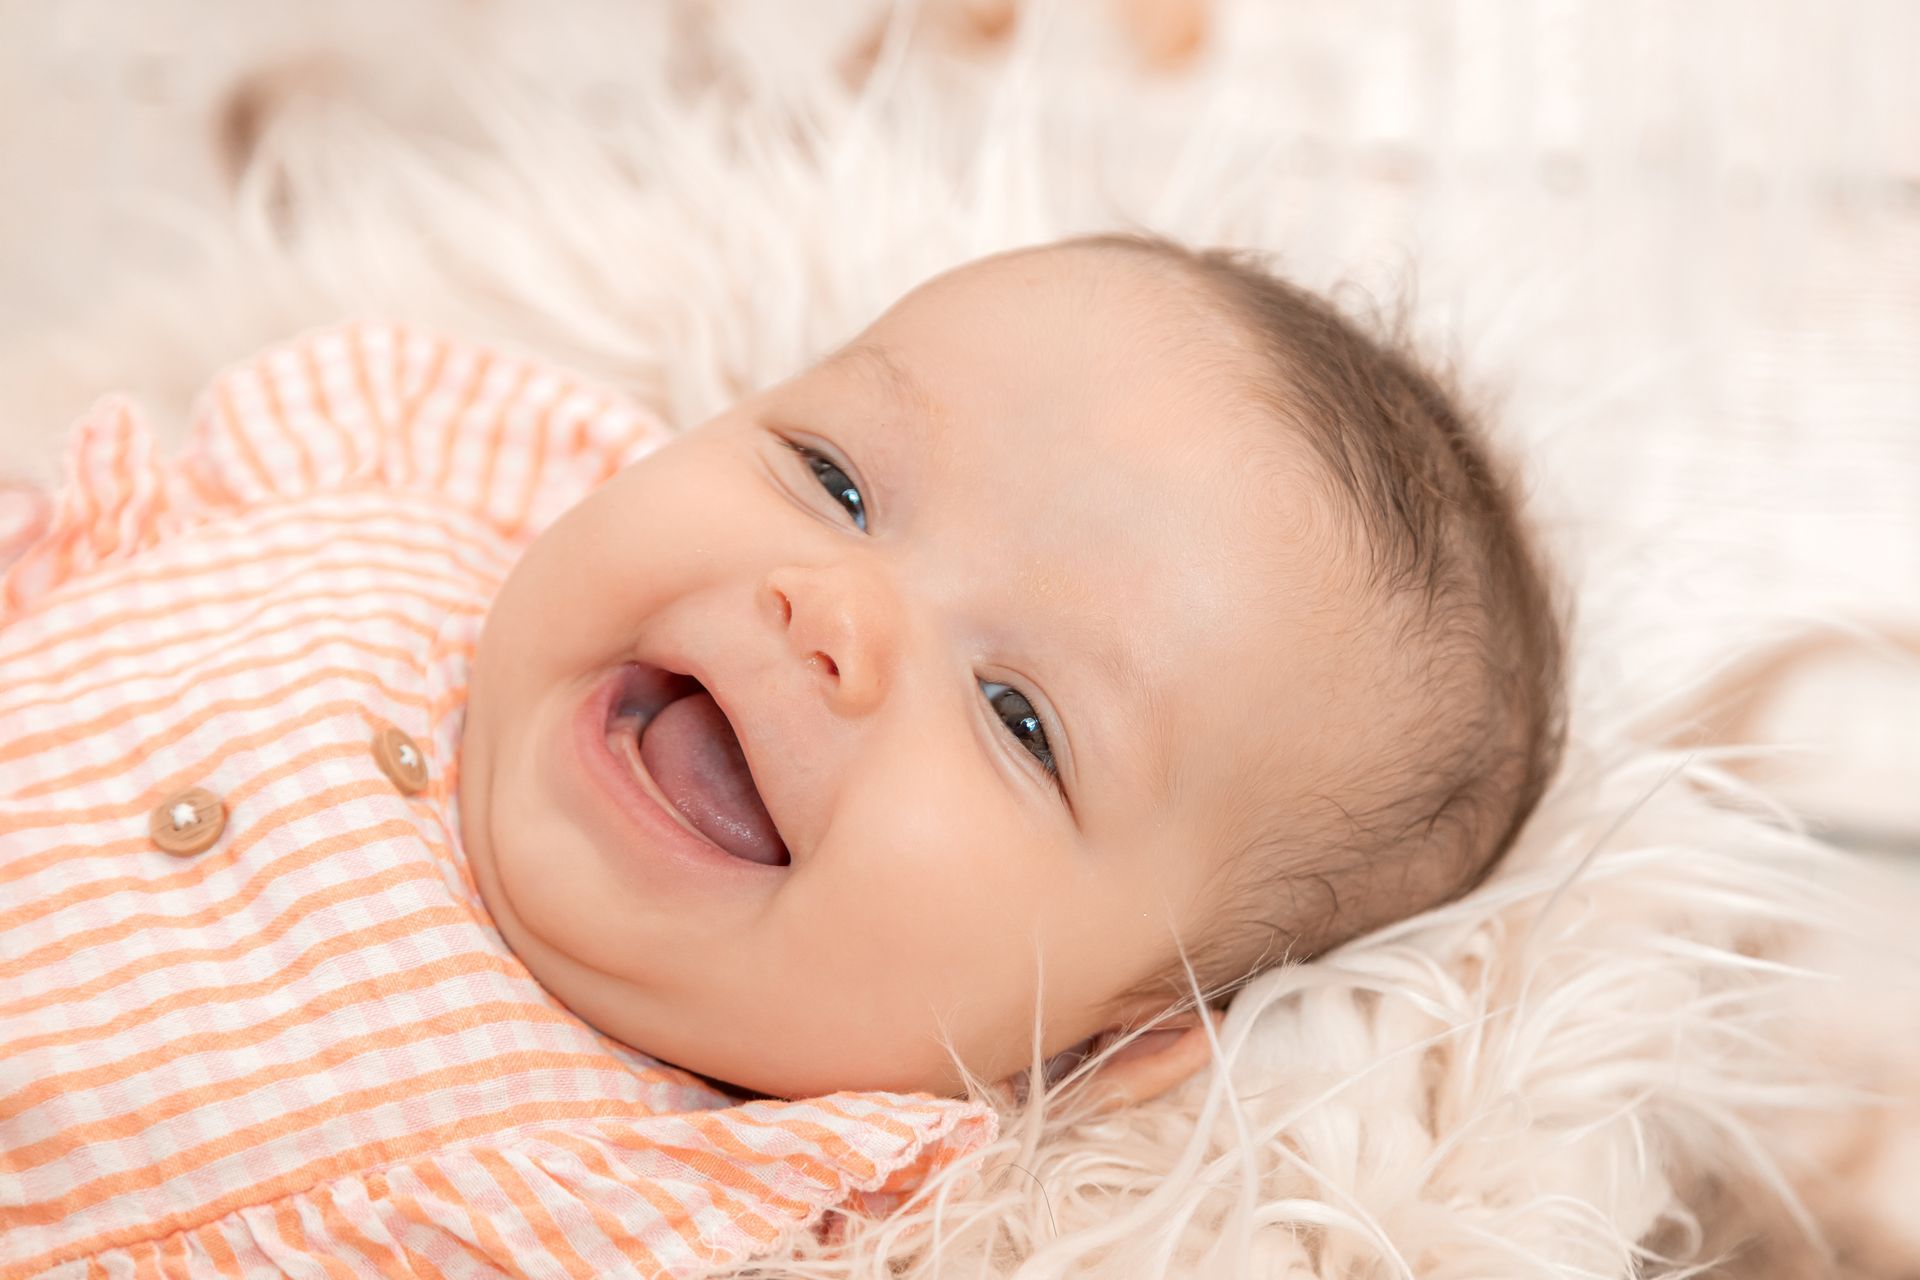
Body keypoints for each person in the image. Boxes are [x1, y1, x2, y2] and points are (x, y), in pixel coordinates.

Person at [0, 234, 1564, 1275]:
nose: (840, 615)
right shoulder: (389, 505)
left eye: (1023, 721)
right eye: (835, 478)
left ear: (1114, 1039)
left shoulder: (658, 1199)